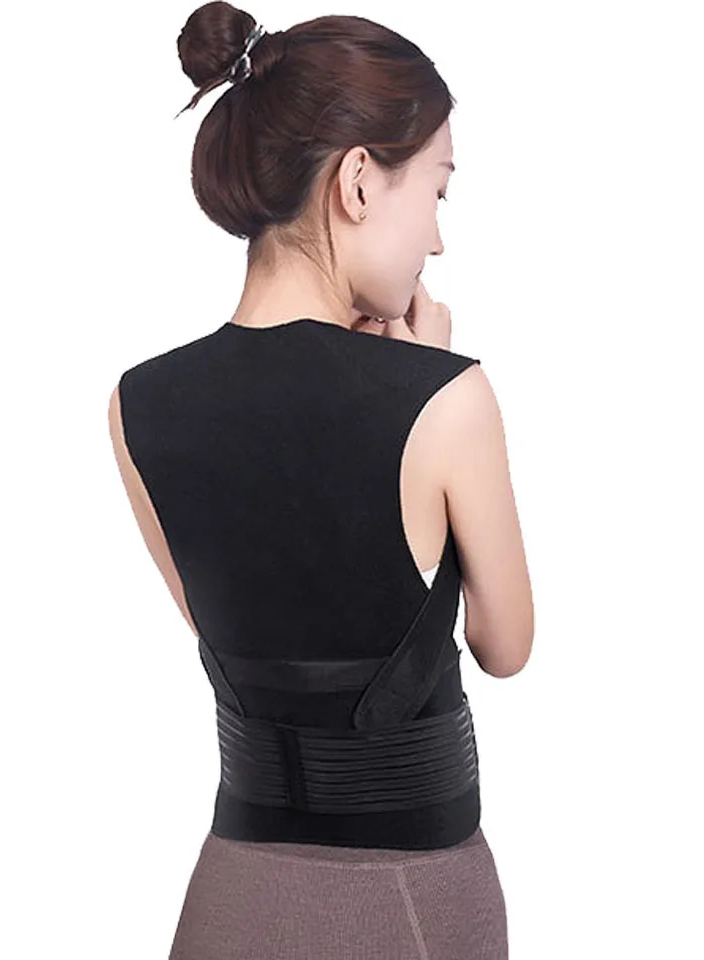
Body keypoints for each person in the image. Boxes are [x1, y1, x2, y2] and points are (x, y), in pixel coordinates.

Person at [108, 4, 533, 957]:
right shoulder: (446, 398)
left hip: (229, 889)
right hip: (411, 894)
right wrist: (420, 380)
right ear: (357, 182)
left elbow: (233, 627)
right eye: (438, 191)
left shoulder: (136, 402)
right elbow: (504, 647)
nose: (437, 241)